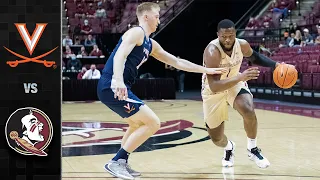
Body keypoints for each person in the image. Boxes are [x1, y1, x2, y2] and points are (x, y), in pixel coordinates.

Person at [97, 2, 227, 180]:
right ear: (145, 17)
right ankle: (116, 161)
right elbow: (120, 54)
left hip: (117, 86)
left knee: (137, 125)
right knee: (153, 123)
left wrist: (207, 70)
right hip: (112, 84)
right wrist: (118, 80)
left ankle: (122, 163)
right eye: (157, 16)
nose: (159, 19)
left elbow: (177, 62)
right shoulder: (136, 33)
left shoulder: (151, 44)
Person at [201, 19, 293, 169]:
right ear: (218, 35)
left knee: (248, 110)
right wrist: (240, 77)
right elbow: (215, 86)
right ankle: (229, 147)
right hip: (214, 90)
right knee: (217, 138)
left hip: (236, 82)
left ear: (235, 34)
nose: (228, 39)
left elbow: (255, 57)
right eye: (224, 36)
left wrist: (276, 65)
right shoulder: (212, 51)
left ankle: (253, 149)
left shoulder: (241, 44)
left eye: (231, 35)